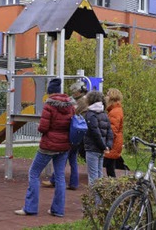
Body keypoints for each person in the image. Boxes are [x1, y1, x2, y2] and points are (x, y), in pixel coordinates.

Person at [14, 78, 73, 217]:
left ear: (50, 92)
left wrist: (39, 127)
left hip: (48, 145)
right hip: (64, 145)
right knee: (59, 176)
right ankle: (58, 210)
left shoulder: (49, 105)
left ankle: (30, 208)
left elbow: (43, 128)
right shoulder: (70, 105)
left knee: (34, 173)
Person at [42, 80, 88, 190]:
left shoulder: (80, 102)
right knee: (72, 160)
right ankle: (73, 182)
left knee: (62, 160)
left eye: (75, 91)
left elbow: (72, 113)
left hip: (72, 133)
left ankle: (54, 180)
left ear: (79, 91)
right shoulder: (84, 100)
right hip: (78, 134)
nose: (73, 93)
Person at [83, 90, 113, 186]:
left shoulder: (90, 114)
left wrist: (103, 146)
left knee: (93, 177)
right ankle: (99, 199)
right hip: (101, 149)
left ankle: (94, 200)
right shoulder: (104, 113)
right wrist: (107, 146)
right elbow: (109, 131)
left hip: (92, 148)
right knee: (99, 175)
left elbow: (95, 133)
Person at [103, 88, 124, 177]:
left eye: (107, 95)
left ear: (112, 98)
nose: (105, 97)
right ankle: (112, 185)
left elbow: (112, 130)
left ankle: (111, 185)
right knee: (110, 166)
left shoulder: (114, 112)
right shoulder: (115, 110)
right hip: (116, 142)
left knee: (108, 165)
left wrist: (107, 143)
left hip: (113, 143)